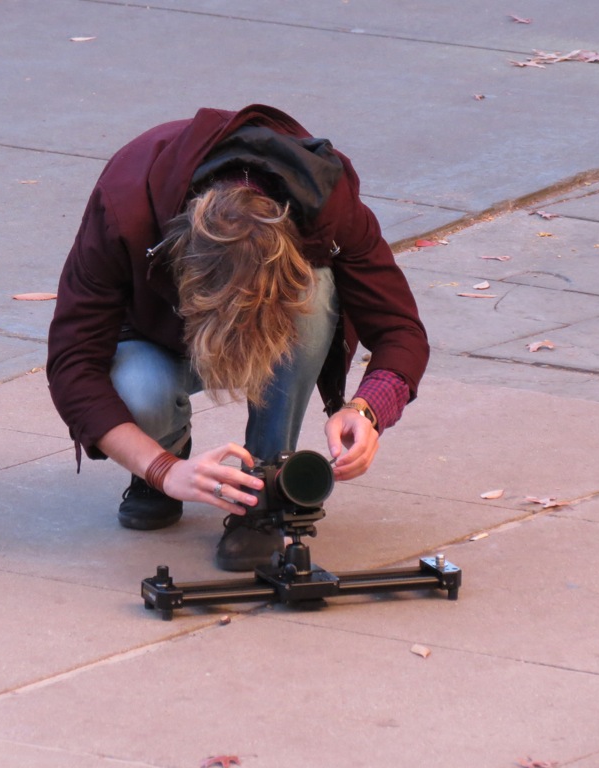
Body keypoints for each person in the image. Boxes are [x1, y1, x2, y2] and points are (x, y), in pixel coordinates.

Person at [47, 104, 428, 571]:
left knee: (315, 291)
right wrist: (163, 469)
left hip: (285, 319)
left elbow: (400, 327)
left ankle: (267, 484)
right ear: (178, 267)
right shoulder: (125, 204)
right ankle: (164, 457)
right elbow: (72, 363)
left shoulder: (328, 198)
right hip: (157, 337)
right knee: (139, 389)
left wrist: (367, 410)